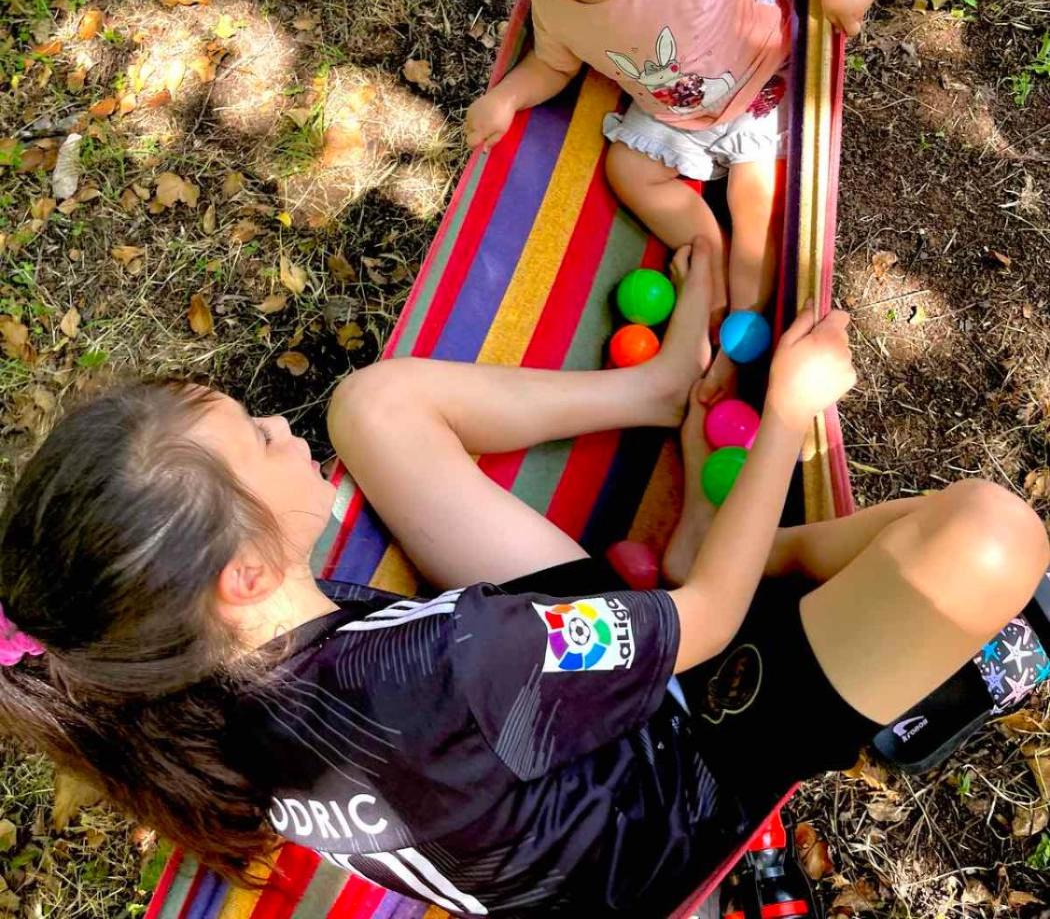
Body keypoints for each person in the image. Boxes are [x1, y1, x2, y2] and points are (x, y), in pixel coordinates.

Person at [0, 244, 1046, 918]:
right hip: (677, 781)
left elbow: (467, 677)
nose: (282, 423)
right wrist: (787, 411)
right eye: (260, 439)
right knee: (992, 537)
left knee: (371, 408)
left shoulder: (173, 678)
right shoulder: (460, 660)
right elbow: (709, 621)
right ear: (241, 573)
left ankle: (655, 392)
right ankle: (906, 666)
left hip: (516, 733)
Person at [465, 0, 877, 406]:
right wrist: (506, 96)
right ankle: (708, 271)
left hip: (760, 81)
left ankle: (739, 338)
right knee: (627, 170)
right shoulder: (552, 5)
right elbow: (553, 66)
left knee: (753, 205)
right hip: (675, 112)